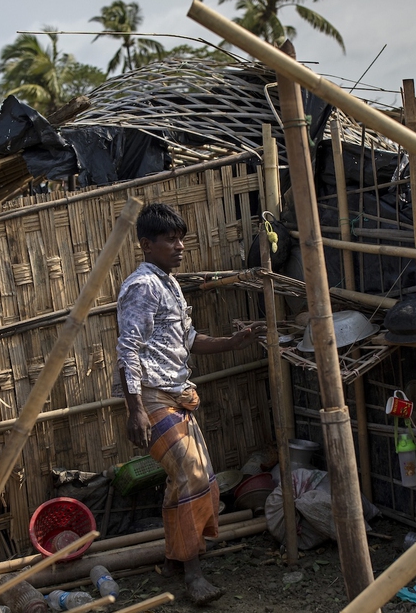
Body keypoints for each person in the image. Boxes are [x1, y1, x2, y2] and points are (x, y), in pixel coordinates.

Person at [115, 203, 258, 604]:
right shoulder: (142, 286)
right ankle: (193, 573)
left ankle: (177, 560)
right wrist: (135, 409)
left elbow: (189, 339)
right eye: (170, 240)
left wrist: (233, 342)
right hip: (152, 395)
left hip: (177, 394)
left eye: (182, 239)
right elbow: (128, 349)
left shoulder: (170, 284)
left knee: (196, 478)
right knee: (190, 474)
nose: (180, 247)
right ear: (146, 244)